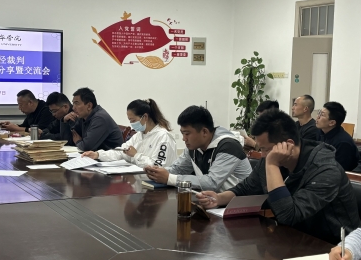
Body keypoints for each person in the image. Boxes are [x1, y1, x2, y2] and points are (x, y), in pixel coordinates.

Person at [198, 110, 360, 245]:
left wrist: (272, 165)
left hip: (333, 249)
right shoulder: (272, 158)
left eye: (265, 149)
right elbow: (247, 188)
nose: (262, 155)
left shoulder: (325, 169)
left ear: (288, 144)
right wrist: (218, 198)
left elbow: (288, 215)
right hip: (292, 240)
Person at [145, 105, 251, 191]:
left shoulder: (229, 146)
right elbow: (179, 169)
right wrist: (156, 172)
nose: (184, 139)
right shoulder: (194, 147)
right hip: (214, 202)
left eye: (187, 134)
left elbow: (212, 183)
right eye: (182, 133)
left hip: (240, 204)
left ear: (204, 132)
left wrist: (169, 178)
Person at [82, 98, 177, 168]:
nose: (131, 124)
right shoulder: (139, 135)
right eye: (130, 120)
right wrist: (98, 154)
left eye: (133, 120)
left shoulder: (163, 137)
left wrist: (136, 155)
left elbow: (158, 167)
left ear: (145, 117)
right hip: (140, 180)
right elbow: (121, 152)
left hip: (156, 185)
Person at [316, 101, 360, 172]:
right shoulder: (320, 132)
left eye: (322, 115)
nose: (317, 117)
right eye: (319, 113)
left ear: (332, 123)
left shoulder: (343, 143)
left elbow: (338, 171)